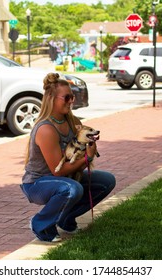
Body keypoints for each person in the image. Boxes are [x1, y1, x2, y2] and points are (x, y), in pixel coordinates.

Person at [21, 72, 116, 242]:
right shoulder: (46, 129)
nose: (72, 101)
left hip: (65, 177)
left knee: (106, 181)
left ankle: (66, 219)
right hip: (38, 183)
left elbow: (78, 152)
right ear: (51, 99)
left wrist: (89, 144)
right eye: (66, 98)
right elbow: (59, 171)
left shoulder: (71, 121)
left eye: (72, 96)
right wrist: (87, 159)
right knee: (72, 189)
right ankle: (40, 224)